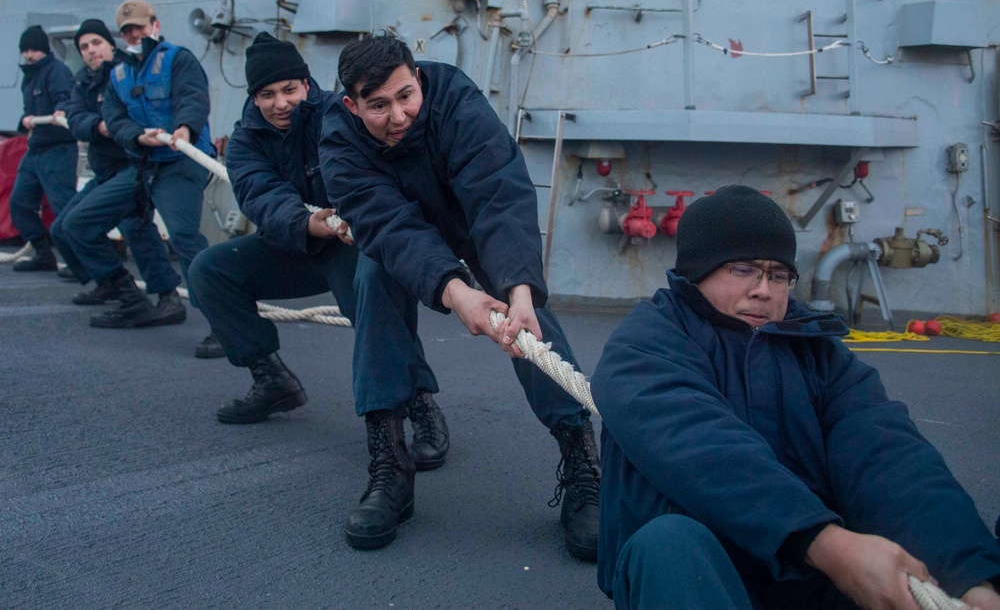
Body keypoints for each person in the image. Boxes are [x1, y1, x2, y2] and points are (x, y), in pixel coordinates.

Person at [590, 185, 1000, 609]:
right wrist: (829, 545)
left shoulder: (819, 354)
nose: (764, 290)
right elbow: (705, 449)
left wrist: (968, 578)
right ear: (698, 271)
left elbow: (889, 458)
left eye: (778, 275)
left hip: (806, 578)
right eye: (743, 269)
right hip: (705, 576)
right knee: (668, 544)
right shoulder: (644, 345)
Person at [319, 34, 600, 561]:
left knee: (526, 313)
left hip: (471, 219)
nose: (397, 115)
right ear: (351, 105)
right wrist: (456, 294)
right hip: (402, 234)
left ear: (418, 79)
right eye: (377, 105)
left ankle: (582, 460)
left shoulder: (455, 98)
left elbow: (498, 190)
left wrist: (516, 290)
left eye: (405, 95)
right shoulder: (338, 139)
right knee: (374, 276)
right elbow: (387, 224)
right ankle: (389, 463)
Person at [187, 33, 449, 550]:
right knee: (209, 270)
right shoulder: (243, 142)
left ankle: (420, 406)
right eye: (268, 95)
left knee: (371, 299)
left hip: (353, 240)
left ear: (306, 84)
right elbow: (262, 197)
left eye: (290, 89)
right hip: (297, 242)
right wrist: (314, 225)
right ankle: (271, 377)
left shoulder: (341, 112)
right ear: (254, 99)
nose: (281, 103)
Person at [55, 0, 218, 353]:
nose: (135, 34)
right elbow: (114, 118)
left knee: (185, 238)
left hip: (180, 162)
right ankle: (129, 297)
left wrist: (184, 130)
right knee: (77, 224)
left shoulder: (179, 59)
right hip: (143, 164)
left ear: (155, 26)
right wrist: (135, 136)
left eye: (140, 27)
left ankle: (225, 324)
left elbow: (193, 98)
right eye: (128, 30)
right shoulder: (117, 74)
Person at [50, 19, 183, 310]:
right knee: (62, 229)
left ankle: (167, 298)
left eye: (96, 43)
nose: (91, 51)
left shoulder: (127, 73)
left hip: (134, 166)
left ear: (111, 44)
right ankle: (108, 282)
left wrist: (116, 127)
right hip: (106, 172)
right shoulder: (83, 82)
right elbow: (75, 118)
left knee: (136, 226)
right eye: (84, 47)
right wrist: (100, 126)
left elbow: (138, 112)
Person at [8, 25, 78, 272]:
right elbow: (30, 109)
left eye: (34, 50)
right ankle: (43, 252)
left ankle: (78, 261)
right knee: (19, 202)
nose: (29, 55)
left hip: (58, 149)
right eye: (25, 50)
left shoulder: (57, 71)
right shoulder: (29, 77)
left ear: (44, 51)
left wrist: (60, 111)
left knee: (64, 206)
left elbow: (65, 98)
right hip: (36, 148)